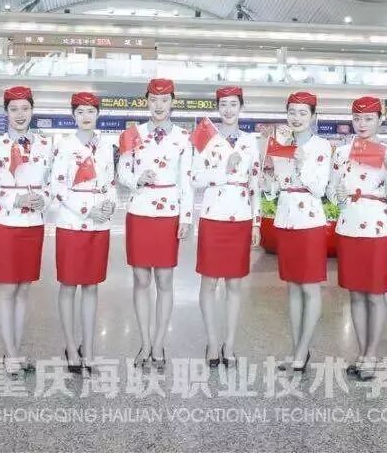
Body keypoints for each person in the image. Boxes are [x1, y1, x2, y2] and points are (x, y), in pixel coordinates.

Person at [117, 78, 194, 370]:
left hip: (169, 212)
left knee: (164, 279)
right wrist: (136, 179)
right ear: (146, 101)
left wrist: (186, 217)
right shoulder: (132, 134)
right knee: (141, 279)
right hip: (139, 210)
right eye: (153, 100)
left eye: (164, 100)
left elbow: (186, 180)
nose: (158, 105)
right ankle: (145, 342)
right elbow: (122, 172)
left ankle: (159, 342)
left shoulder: (184, 137)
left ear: (172, 102)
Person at [327, 96, 387, 381]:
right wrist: (339, 196)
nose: (362, 124)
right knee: (355, 294)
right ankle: (361, 352)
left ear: (380, 120)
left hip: (376, 228)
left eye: (369, 118)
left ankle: (372, 353)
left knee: (375, 294)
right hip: (349, 227)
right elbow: (332, 193)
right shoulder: (340, 153)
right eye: (357, 118)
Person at [0, 85, 53, 376]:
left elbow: (52, 182)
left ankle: (16, 350)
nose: (20, 114)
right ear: (6, 112)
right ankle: (9, 353)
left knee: (24, 288)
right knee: (7, 288)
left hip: (33, 224)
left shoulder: (45, 144)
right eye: (14, 109)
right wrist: (16, 199)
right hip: (6, 224)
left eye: (25, 108)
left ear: (32, 110)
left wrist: (43, 199)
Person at [189, 86, 262, 367]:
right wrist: (224, 170)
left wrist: (256, 222)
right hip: (213, 216)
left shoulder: (250, 141)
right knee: (209, 283)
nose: (228, 110)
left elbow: (255, 184)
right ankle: (212, 341)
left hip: (241, 218)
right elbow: (194, 177)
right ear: (217, 107)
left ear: (241, 107)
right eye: (223, 104)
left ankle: (229, 343)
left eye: (233, 104)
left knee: (234, 284)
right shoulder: (206, 137)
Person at [48, 92, 116, 373]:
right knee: (68, 285)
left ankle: (88, 349)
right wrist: (87, 210)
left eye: (90, 111)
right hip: (72, 223)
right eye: (80, 112)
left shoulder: (106, 146)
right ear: (73, 115)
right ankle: (69, 345)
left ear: (98, 114)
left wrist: (110, 204)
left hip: (100, 225)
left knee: (92, 286)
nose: (86, 116)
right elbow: (57, 186)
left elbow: (110, 183)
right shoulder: (65, 146)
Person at [269, 91, 332, 372]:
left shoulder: (321, 146)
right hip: (286, 219)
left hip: (309, 222)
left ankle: (303, 349)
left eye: (303, 113)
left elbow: (319, 188)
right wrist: (269, 175)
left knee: (309, 286)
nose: (296, 118)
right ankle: (297, 351)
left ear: (313, 116)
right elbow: (276, 187)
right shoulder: (281, 144)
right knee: (292, 287)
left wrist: (301, 162)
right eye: (292, 112)